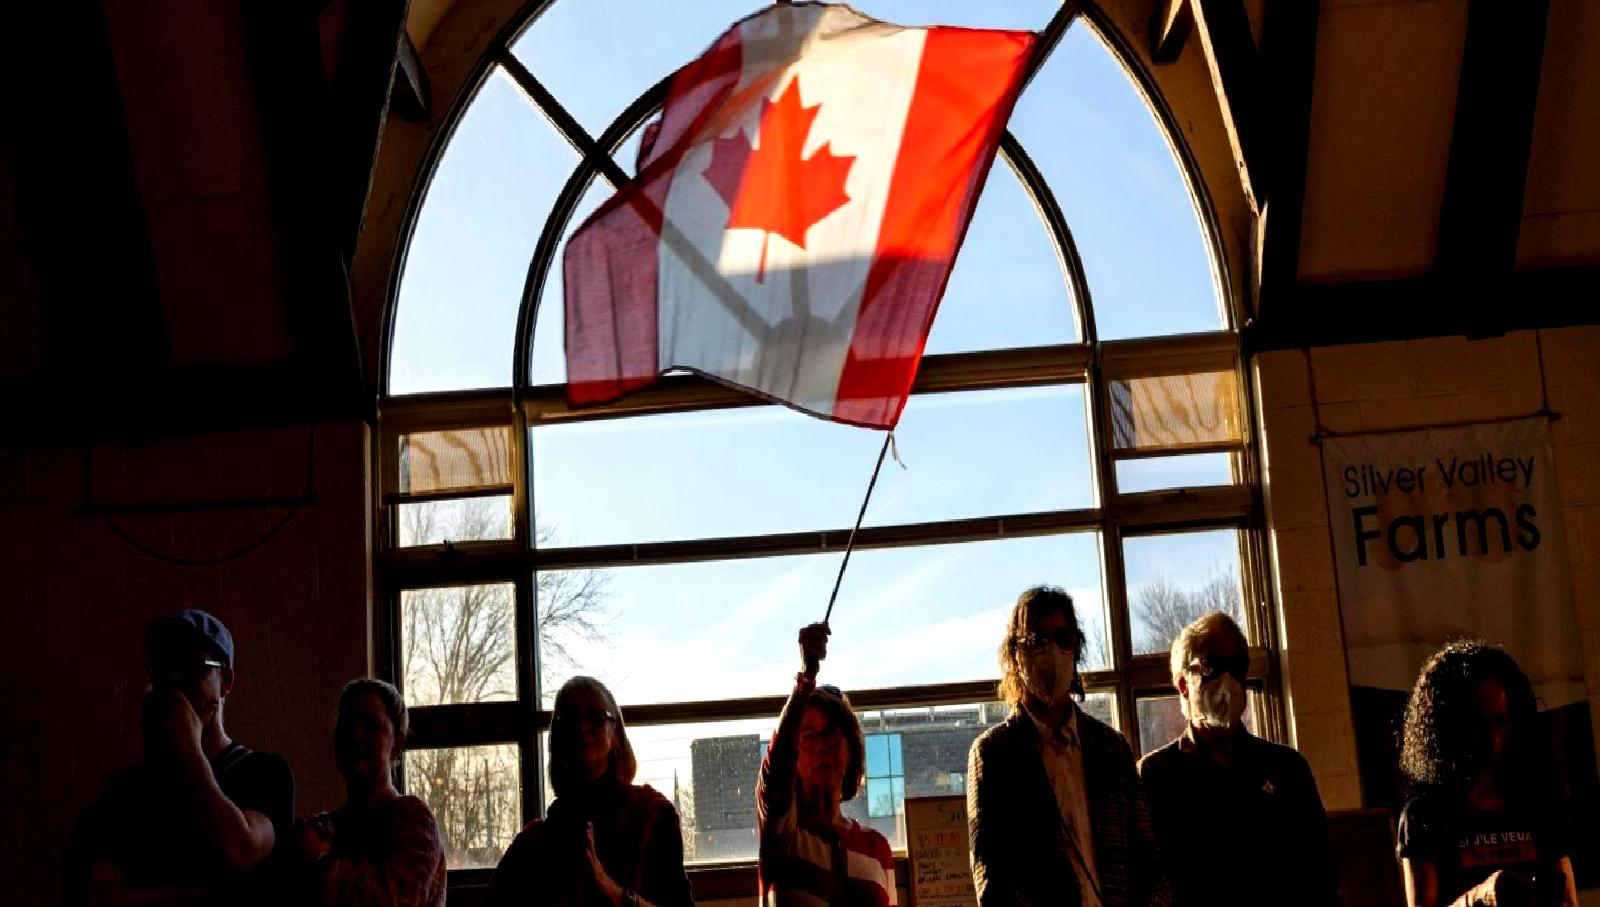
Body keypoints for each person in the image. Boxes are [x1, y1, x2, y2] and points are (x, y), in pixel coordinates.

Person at [62, 608, 296, 907]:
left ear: (225, 679)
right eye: (162, 668)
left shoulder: (264, 773)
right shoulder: (128, 788)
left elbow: (240, 849)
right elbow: (93, 894)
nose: (175, 683)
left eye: (191, 667)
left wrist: (187, 746)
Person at [968, 585, 1170, 907]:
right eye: (1037, 640)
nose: (1052, 652)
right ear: (1014, 654)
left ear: (1076, 647)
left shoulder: (1113, 748)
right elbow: (992, 878)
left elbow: (1149, 861)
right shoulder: (994, 753)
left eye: (1063, 639)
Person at [1137, 611, 1340, 906]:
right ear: (1183, 685)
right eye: (1211, 667)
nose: (1227, 680)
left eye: (1237, 667)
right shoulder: (1156, 776)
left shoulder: (1286, 768)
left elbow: (1320, 877)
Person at [1396, 640, 1578, 907]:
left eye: (1500, 723)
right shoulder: (1426, 816)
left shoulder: (1537, 803)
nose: (1492, 741)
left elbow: (1568, 902)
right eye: (1478, 725)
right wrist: (1482, 897)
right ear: (1449, 727)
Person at [487, 676, 694, 907]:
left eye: (595, 718)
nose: (582, 728)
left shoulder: (652, 817)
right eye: (569, 720)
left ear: (615, 734)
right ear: (557, 739)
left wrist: (613, 891)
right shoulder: (533, 845)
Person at [757, 622, 895, 907]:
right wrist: (806, 679)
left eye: (832, 733)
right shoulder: (783, 833)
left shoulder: (877, 848)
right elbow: (777, 766)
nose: (822, 745)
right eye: (807, 736)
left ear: (851, 750)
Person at [298, 678, 446, 907]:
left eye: (371, 726)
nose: (356, 736)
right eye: (347, 725)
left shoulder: (415, 822)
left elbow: (393, 902)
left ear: (397, 744)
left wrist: (321, 861)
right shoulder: (324, 827)